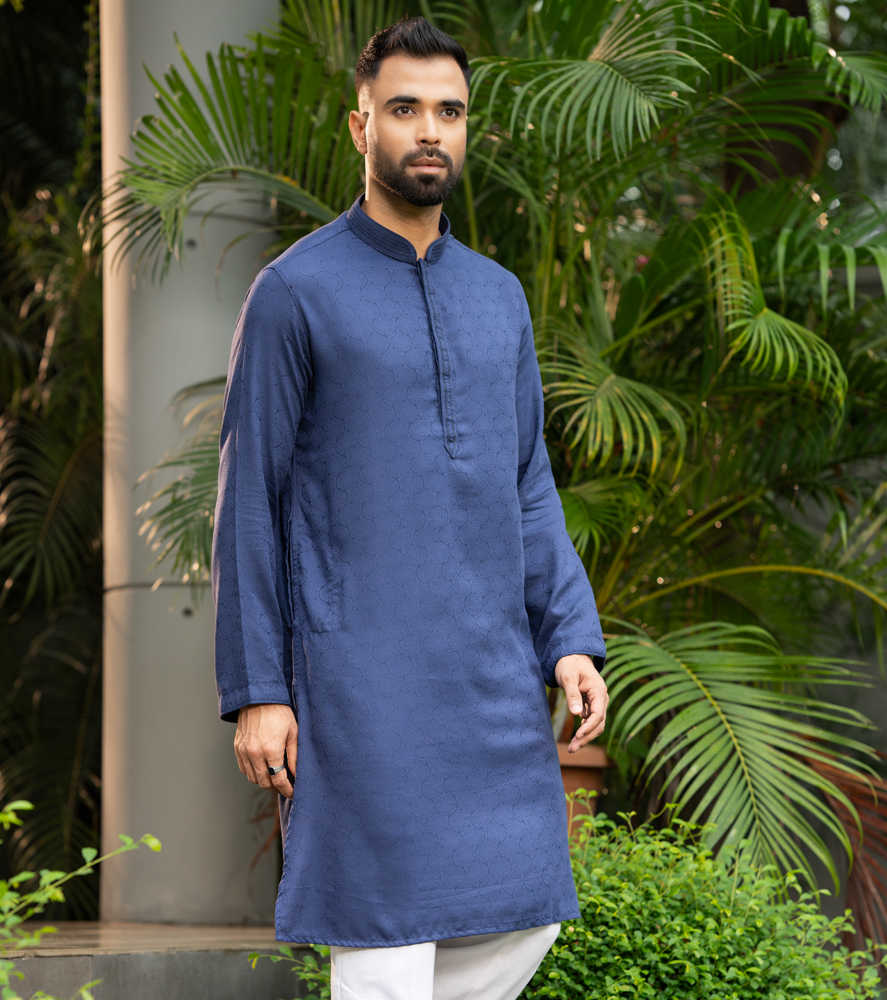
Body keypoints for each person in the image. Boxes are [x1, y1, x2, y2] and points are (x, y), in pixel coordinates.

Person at [212, 17, 609, 1000]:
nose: (429, 130)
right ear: (361, 127)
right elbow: (249, 499)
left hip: (489, 679)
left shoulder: (500, 298)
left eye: (449, 111)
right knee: (382, 947)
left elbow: (527, 480)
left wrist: (569, 637)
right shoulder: (294, 292)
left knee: (527, 913)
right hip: (357, 684)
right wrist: (259, 688)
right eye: (404, 109)